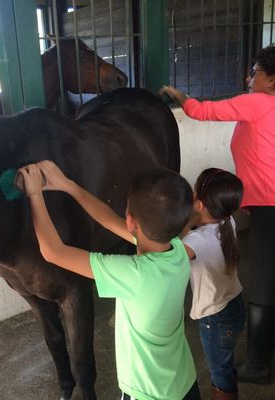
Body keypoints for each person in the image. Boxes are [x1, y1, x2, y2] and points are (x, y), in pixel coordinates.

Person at [18, 160, 200, 400]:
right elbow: (109, 220)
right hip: (184, 381)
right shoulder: (176, 250)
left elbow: (53, 251)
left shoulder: (134, 274)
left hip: (147, 393)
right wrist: (68, 185)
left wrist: (34, 193)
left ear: (131, 221)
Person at [160, 44, 275, 384]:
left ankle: (258, 364)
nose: (249, 78)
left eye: (254, 73)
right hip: (267, 202)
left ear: (271, 79)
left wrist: (180, 97)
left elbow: (204, 111)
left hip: (270, 206)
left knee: (263, 285)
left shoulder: (259, 102)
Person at [181, 168, 245, 400]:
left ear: (198, 204)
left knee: (220, 373)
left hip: (215, 318)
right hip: (235, 306)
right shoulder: (228, 221)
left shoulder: (194, 242)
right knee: (224, 363)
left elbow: (170, 256)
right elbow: (201, 226)